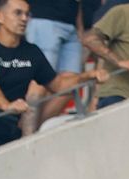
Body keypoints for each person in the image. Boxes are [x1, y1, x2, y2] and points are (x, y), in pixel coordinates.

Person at [0, 0, 108, 149]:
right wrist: (6, 105)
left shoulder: (32, 51)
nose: (24, 18)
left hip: (14, 127)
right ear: (0, 17)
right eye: (17, 13)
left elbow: (58, 85)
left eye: (27, 14)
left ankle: (29, 136)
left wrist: (87, 76)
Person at [24, 0, 85, 130]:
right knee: (39, 84)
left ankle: (35, 131)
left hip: (71, 25)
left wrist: (80, 28)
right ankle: (26, 136)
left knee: (71, 86)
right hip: (44, 20)